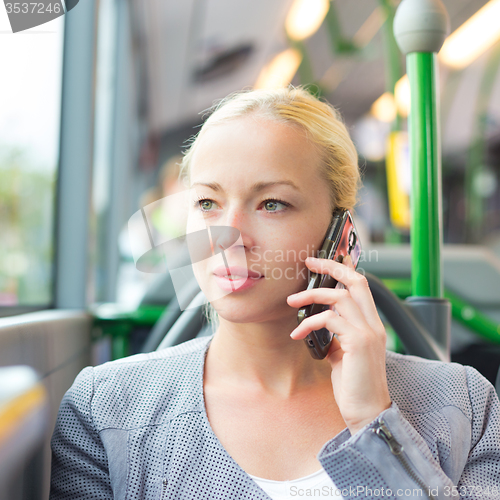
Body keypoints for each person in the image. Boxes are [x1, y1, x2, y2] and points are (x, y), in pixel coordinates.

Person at [50, 87, 500, 499]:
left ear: (340, 234)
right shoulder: (107, 409)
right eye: (207, 203)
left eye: (272, 204)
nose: (230, 236)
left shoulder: (461, 404)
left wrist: (375, 425)